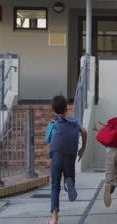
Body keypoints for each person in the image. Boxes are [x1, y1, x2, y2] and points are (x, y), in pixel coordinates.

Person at [45, 95, 87, 224]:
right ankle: (70, 182)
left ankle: (54, 218)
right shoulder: (74, 122)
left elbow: (48, 142)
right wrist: (82, 149)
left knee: (54, 186)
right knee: (69, 176)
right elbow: (84, 131)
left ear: (52, 109)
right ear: (66, 108)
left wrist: (50, 155)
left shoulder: (52, 124)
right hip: (70, 156)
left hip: (57, 156)